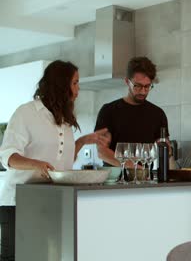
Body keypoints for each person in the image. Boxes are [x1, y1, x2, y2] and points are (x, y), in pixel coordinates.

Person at [0, 60, 109, 260]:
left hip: (50, 204)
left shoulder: (64, 120)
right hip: (19, 204)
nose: (78, 89)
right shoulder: (26, 113)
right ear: (61, 84)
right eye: (75, 83)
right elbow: (7, 155)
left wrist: (84, 140)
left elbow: (64, 162)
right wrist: (36, 164)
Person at [94, 56, 169, 168]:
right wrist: (133, 167)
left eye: (147, 86)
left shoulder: (158, 114)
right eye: (137, 86)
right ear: (127, 82)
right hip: (113, 182)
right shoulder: (109, 111)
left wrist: (168, 150)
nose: (143, 91)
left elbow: (164, 149)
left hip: (145, 180)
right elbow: (102, 152)